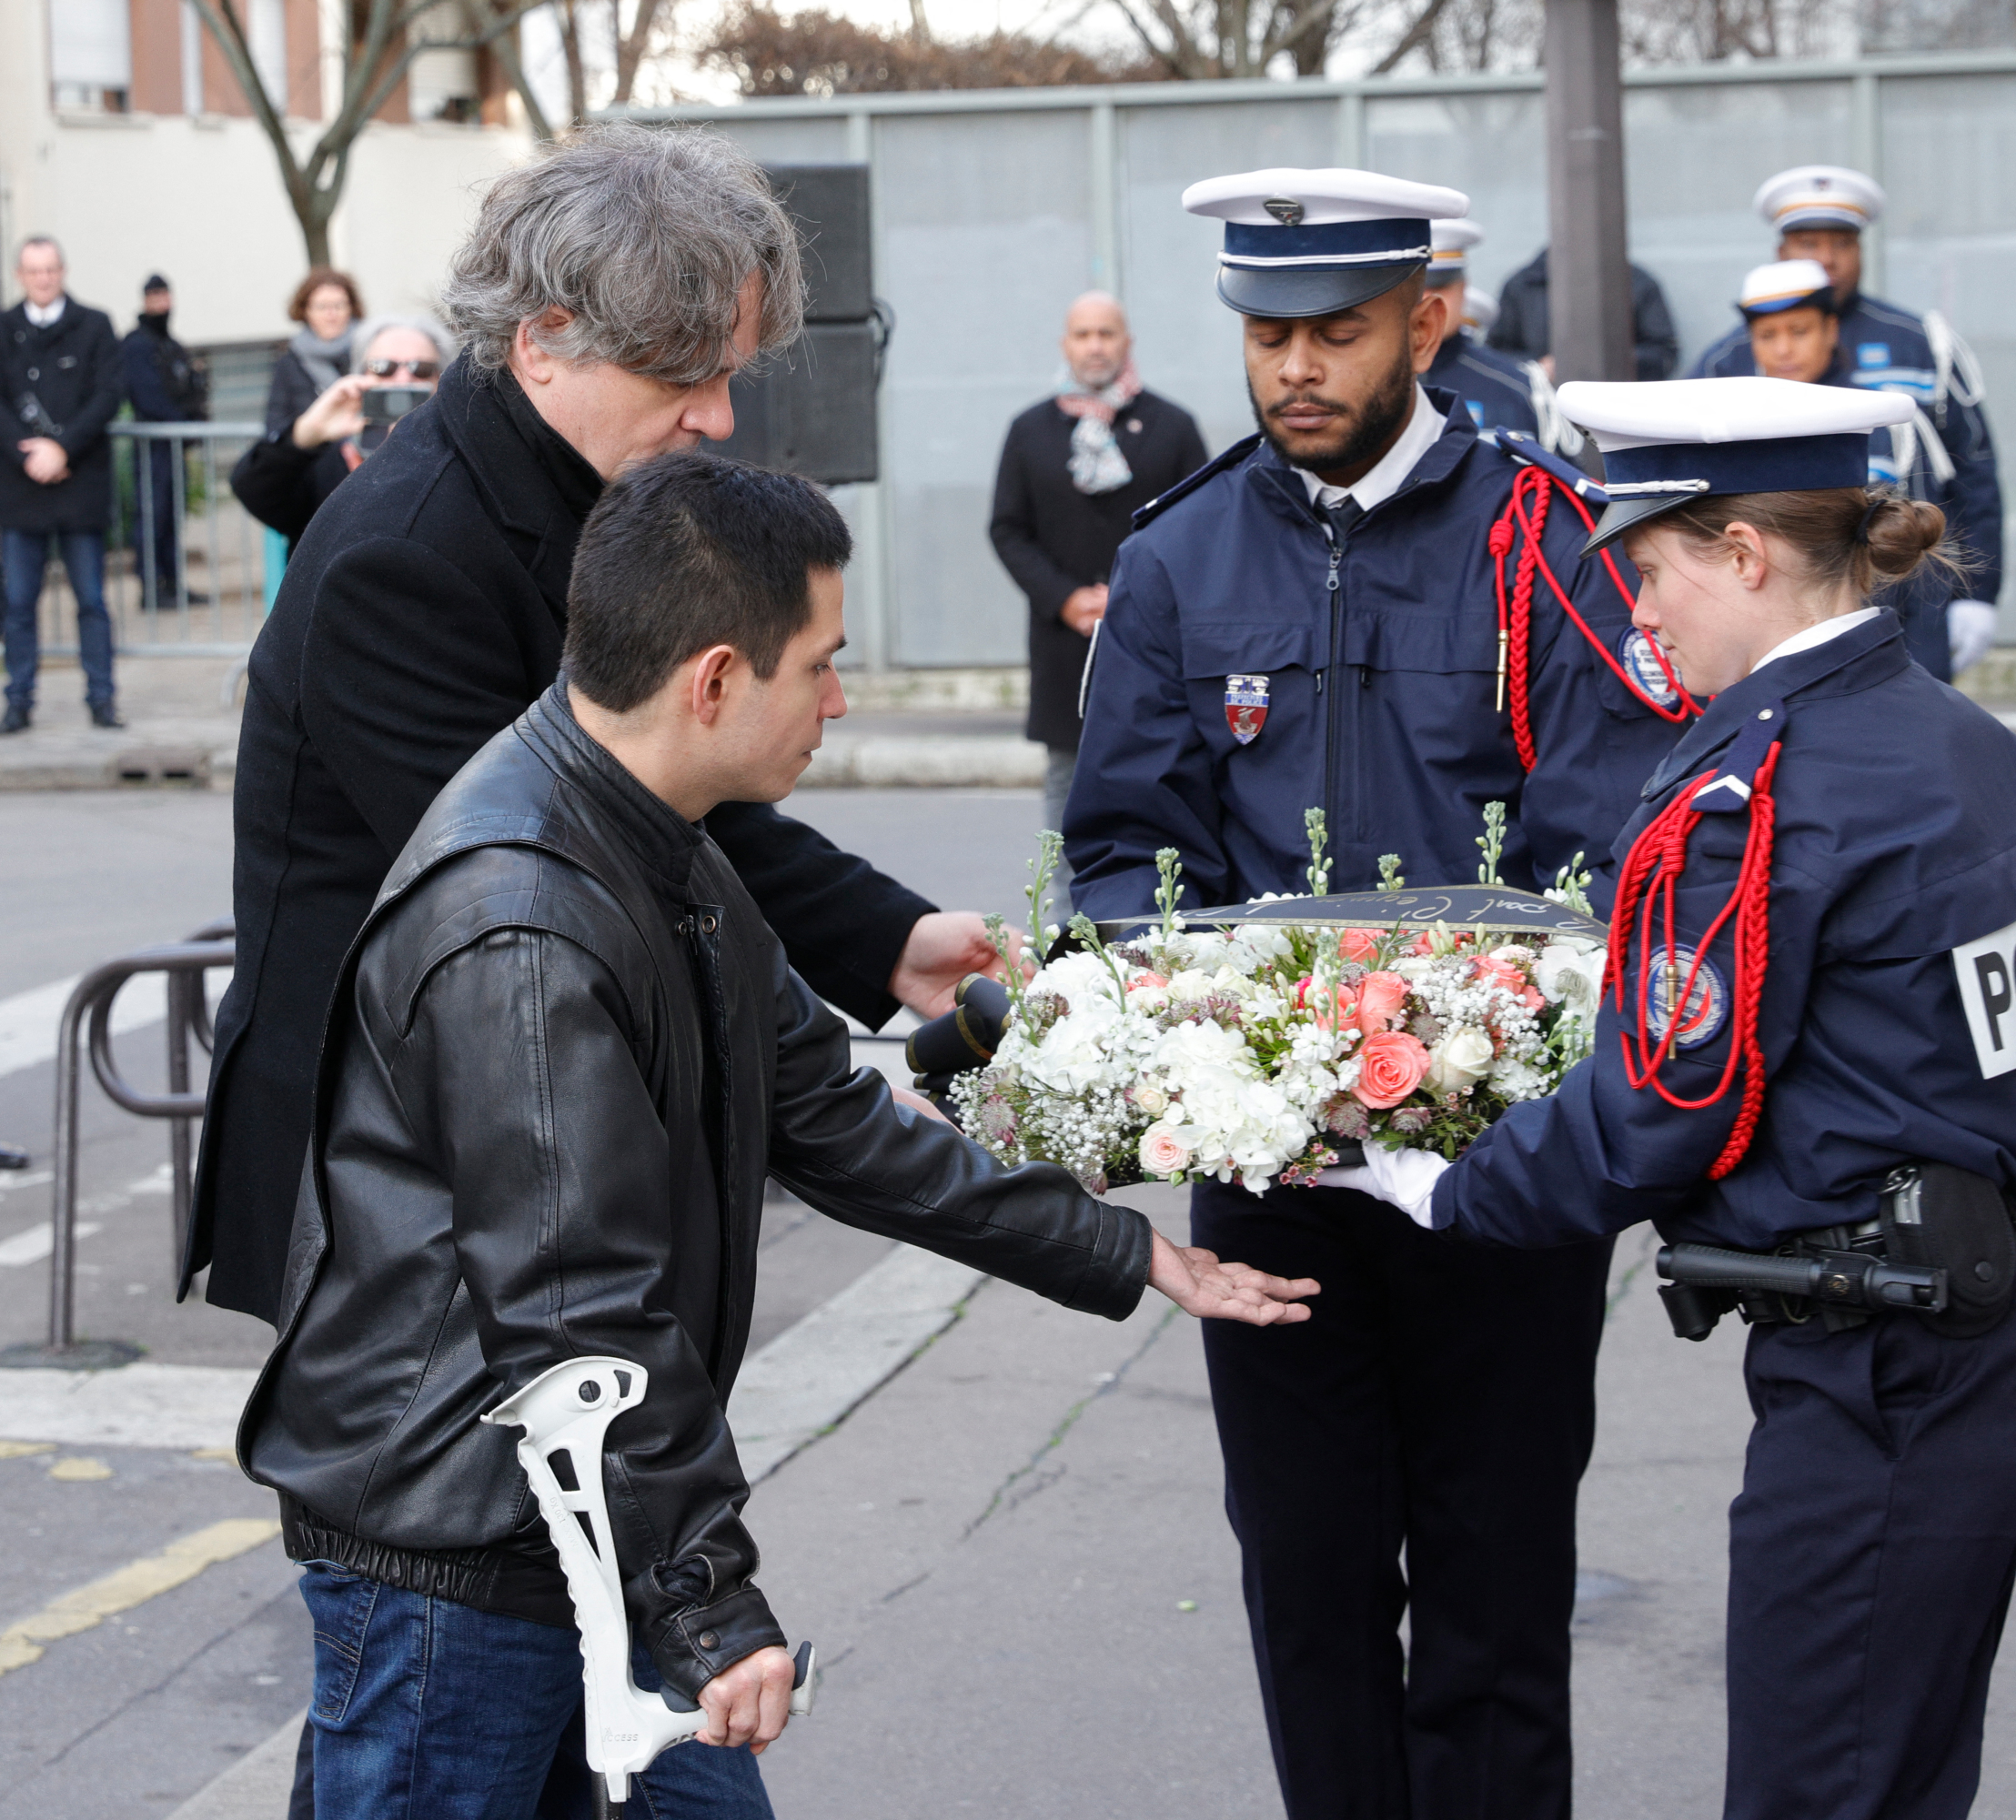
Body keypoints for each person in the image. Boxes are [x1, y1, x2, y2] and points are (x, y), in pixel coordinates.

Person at [244, 447, 1316, 1820]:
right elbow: (582, 1314)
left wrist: (1118, 1250)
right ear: (711, 681)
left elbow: (828, 1112)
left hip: (579, 1519)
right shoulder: (523, 915)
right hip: (461, 1551)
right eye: (817, 664)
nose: (838, 698)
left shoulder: (653, 835)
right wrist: (710, 1609)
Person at [1334, 374, 2016, 1820]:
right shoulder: (1964, 746)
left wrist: (1442, 1182)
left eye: (1649, 567)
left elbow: (1668, 1099)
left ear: (1745, 554)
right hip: (1972, 1331)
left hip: (1873, 1367)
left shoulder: (1761, 783)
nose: (1636, 615)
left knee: (1818, 1791)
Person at [1066, 168, 1694, 1820]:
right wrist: (1212, 1044)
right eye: (1269, 334)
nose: (1295, 371)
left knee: (1496, 1591)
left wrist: (1474, 1056)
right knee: (1310, 1587)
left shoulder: (1549, 539)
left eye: (1335, 333)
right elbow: (1125, 847)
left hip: (1502, 1179)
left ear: (1428, 320)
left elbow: (1611, 831)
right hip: (1276, 1188)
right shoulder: (1180, 555)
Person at [189, 124, 1015, 1342]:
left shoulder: (569, 490)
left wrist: (884, 939)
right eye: (684, 378)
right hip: (397, 1175)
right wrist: (835, 1093)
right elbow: (587, 867)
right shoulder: (403, 561)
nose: (720, 417)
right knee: (406, 1534)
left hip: (501, 1136)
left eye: (731, 373)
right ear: (543, 344)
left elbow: (672, 802)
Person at [1689, 166, 2004, 680]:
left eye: (1841, 242)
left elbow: (1971, 474)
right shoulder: (1728, 360)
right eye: (1808, 242)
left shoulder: (1919, 342)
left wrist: (1976, 594)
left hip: (1901, 598)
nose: (1826, 258)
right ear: (1780, 251)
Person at [987, 289, 1206, 882]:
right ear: (1066, 344)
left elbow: (1200, 529)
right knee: (1066, 790)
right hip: (1065, 647)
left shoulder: (1173, 426)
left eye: (1106, 333)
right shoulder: (1030, 431)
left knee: (1156, 785)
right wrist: (1064, 598)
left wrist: (1134, 600)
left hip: (1153, 646)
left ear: (1126, 342)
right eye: (1083, 334)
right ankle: (1063, 930)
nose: (1095, 345)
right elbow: (1008, 529)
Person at [1, 235, 124, 732]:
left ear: (63, 270)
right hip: (20, 484)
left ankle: (101, 698)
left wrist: (62, 448)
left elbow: (108, 394)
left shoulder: (94, 325)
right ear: (20, 276)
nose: (44, 279)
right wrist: (25, 452)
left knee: (92, 600)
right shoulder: (4, 328)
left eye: (51, 269)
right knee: (18, 602)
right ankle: (18, 699)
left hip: (79, 483)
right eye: (34, 271)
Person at [228, 317, 453, 541]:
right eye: (383, 367)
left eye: (421, 369)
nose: (403, 379)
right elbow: (254, 492)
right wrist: (303, 435)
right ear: (361, 375)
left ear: (441, 380)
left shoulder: (457, 461)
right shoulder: (329, 459)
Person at [118, 273, 210, 609]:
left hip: (173, 445)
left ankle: (171, 583)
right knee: (152, 516)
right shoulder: (137, 345)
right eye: (154, 296)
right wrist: (181, 423)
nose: (162, 303)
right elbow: (149, 398)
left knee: (170, 517)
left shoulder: (170, 345)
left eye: (165, 295)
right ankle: (152, 586)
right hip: (154, 446)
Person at [1418, 217, 1545, 436]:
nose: (1429, 301)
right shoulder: (1372, 383)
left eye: (1440, 287)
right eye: (1418, 288)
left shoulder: (1514, 388)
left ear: (1463, 288)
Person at [1485, 243, 1681, 380]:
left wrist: (1607, 363)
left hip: (1615, 406)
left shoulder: (1637, 283)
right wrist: (1538, 368)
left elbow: (1663, 353)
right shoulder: (1523, 285)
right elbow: (1495, 353)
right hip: (1541, 409)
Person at [269, 267, 362, 438]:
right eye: (322, 307)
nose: (331, 315)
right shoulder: (290, 363)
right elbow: (276, 425)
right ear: (306, 311)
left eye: (339, 305)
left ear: (352, 308)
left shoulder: (369, 353)